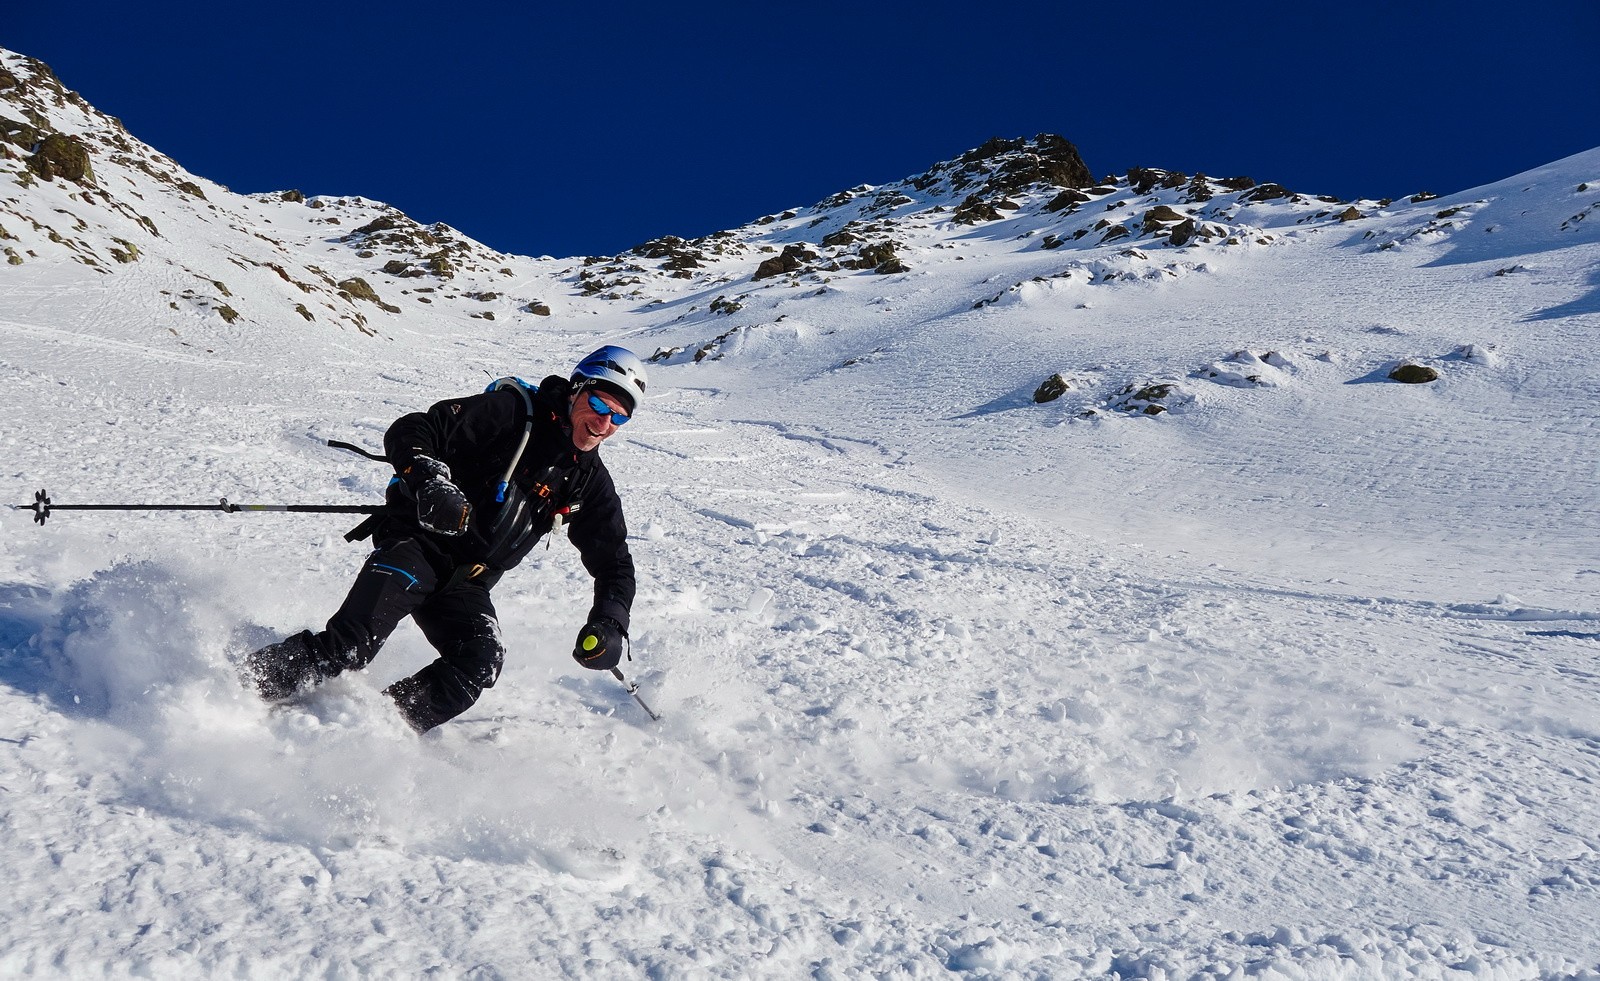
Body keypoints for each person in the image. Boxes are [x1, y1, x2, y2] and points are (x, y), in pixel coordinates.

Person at [244, 345, 647, 733]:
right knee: (351, 645)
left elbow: (614, 562)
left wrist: (611, 622)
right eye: (598, 406)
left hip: (467, 581)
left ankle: (378, 728)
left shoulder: (588, 480)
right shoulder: (512, 415)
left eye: (618, 419)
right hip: (419, 545)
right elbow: (416, 428)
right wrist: (430, 480)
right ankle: (240, 690)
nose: (603, 424)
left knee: (479, 661)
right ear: (577, 389)